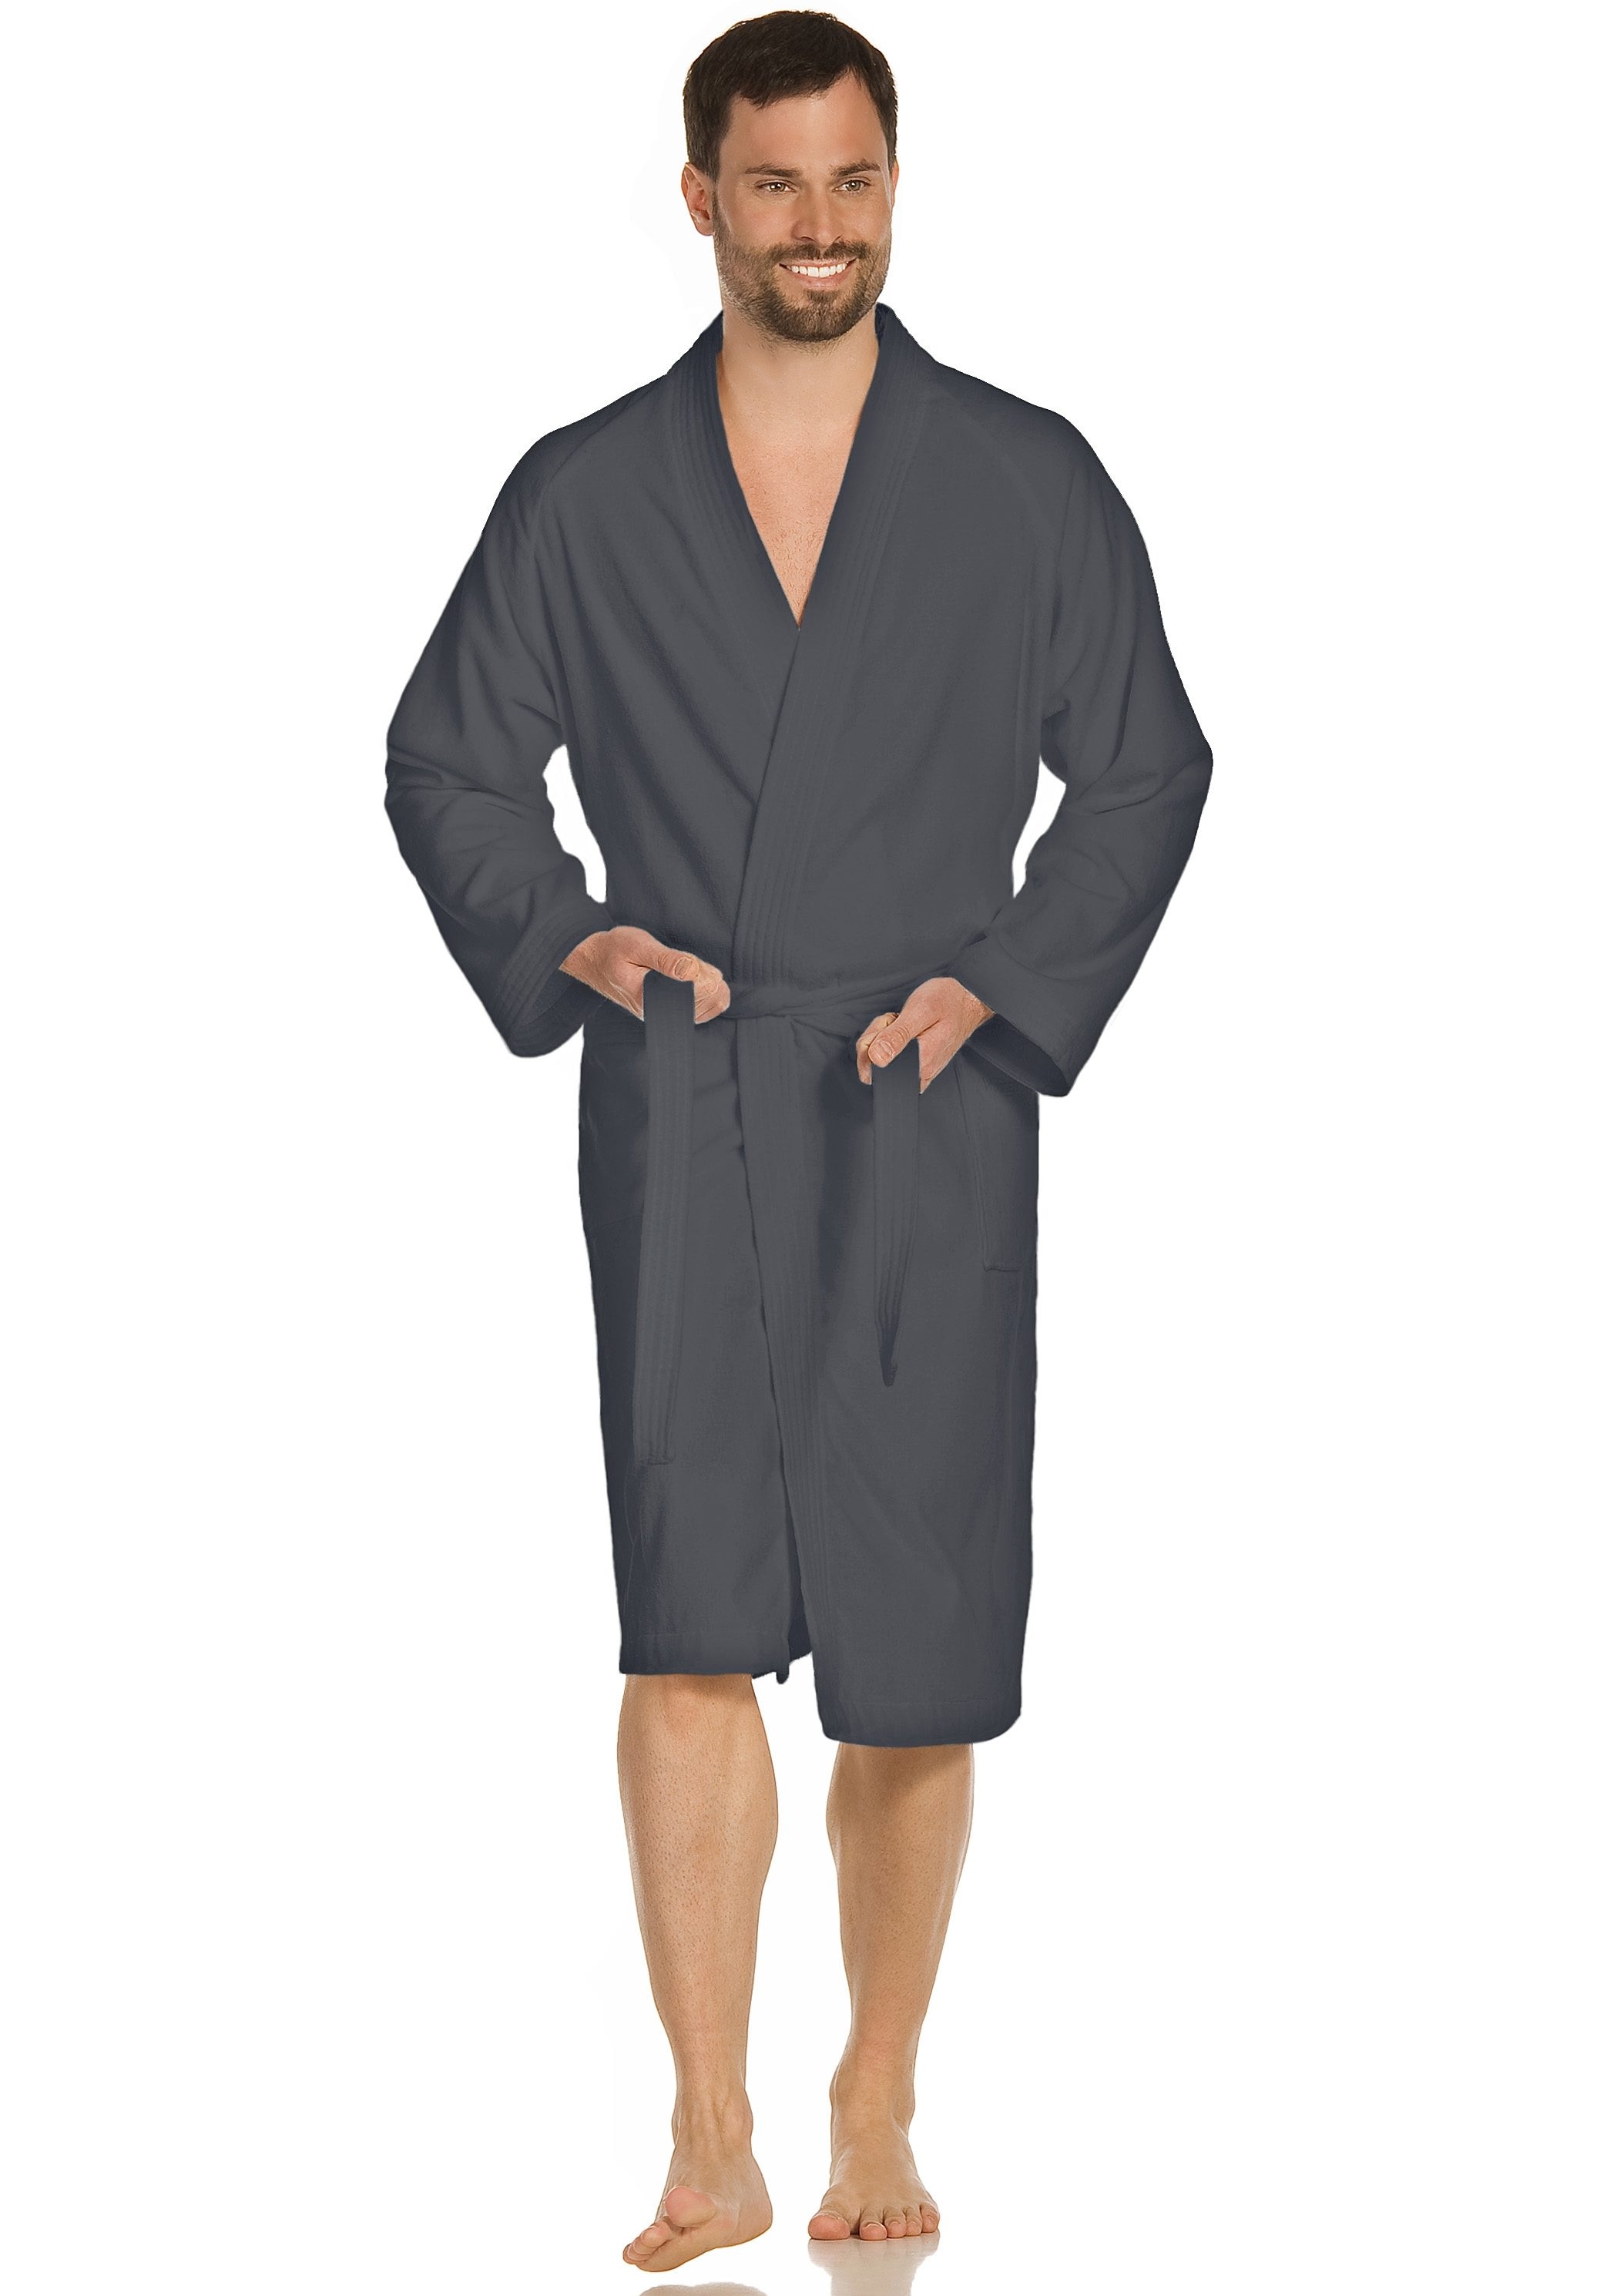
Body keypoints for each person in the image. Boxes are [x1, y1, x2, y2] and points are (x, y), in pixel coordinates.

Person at [384, 9, 1211, 2274]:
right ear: (701, 201)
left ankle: (879, 2082)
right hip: (687, 1087)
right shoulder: (584, 493)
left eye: (855, 182)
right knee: (687, 1622)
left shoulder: (1022, 478)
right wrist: (567, 935)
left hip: (927, 1104)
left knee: (918, 1650)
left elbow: (1147, 767)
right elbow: (448, 760)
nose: (820, 226)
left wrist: (1009, 984)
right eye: (776, 185)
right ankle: (708, 2124)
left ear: (896, 189)